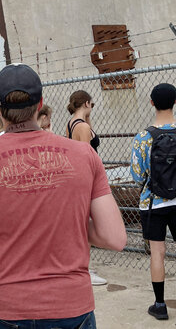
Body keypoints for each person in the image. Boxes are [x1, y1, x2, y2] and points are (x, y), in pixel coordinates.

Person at [0, 63, 126, 329]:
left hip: (5, 306)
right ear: (40, 104)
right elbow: (115, 238)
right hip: (71, 306)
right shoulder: (84, 155)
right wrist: (67, 223)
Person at [130, 83, 176, 321]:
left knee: (157, 252)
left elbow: (138, 175)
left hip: (153, 202)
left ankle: (160, 305)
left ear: (152, 103)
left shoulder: (143, 137)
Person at [66, 90, 107, 286]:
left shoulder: (73, 123)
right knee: (86, 225)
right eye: (92, 104)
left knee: (83, 224)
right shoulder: (80, 126)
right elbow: (86, 156)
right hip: (85, 179)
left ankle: (84, 266)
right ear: (87, 103)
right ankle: (84, 269)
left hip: (78, 179)